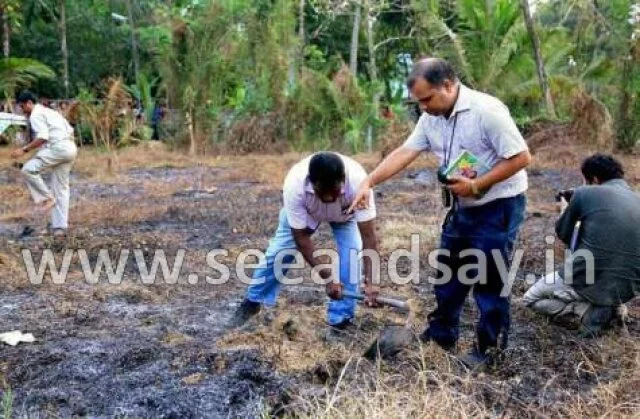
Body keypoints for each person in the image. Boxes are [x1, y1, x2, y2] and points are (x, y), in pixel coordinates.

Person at [348, 58, 531, 367]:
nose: (423, 108)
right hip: (463, 206)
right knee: (448, 273)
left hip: (498, 205)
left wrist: (477, 186)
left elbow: (521, 157)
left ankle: (489, 350)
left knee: (490, 280)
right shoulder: (431, 117)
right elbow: (405, 152)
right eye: (418, 102)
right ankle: (441, 334)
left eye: (427, 99)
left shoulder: (487, 111)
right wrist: (369, 181)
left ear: (448, 85)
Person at [231, 152, 380, 330]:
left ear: (343, 181)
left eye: (334, 192)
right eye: (322, 193)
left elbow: (369, 239)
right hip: (307, 212)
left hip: (345, 217)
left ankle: (341, 319)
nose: (329, 199)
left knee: (352, 256)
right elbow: (301, 238)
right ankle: (253, 301)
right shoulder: (295, 185)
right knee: (280, 252)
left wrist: (372, 282)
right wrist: (327, 277)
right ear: (312, 183)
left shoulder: (359, 183)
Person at [523, 154, 640, 336]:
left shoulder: (584, 193)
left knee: (531, 298)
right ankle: (613, 305)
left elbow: (564, 234)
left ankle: (583, 311)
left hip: (588, 276)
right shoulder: (636, 198)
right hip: (630, 285)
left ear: (593, 178)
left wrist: (566, 208)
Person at [10, 90, 78, 239]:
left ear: (29, 103)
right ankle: (60, 227)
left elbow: (43, 137)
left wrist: (24, 150)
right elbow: (69, 130)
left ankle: (46, 198)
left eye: (22, 107)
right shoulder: (50, 112)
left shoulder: (35, 115)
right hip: (70, 148)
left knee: (28, 169)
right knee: (61, 188)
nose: (22, 110)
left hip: (58, 148)